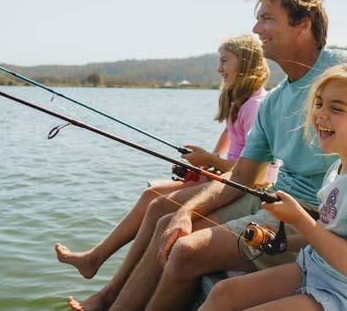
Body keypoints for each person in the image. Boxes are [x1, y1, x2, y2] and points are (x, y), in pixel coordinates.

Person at [87, 0, 347, 311]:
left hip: (312, 215)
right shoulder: (273, 102)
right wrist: (186, 211)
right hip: (271, 199)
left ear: (302, 24)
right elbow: (241, 177)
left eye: (267, 18)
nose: (256, 29)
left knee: (185, 251)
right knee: (169, 224)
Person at [61, 34, 270, 310]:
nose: (219, 68)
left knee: (159, 207)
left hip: (241, 187)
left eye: (224, 61)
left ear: (244, 63)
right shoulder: (241, 99)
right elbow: (229, 142)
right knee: (152, 195)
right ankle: (98, 266)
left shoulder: (256, 106)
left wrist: (210, 160)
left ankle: (109, 293)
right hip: (225, 178)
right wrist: (207, 163)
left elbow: (257, 174)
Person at [200, 61, 347, 311]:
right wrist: (282, 241)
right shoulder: (340, 165)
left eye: (336, 108)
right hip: (317, 269)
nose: (320, 114)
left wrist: (299, 219)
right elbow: (330, 233)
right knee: (223, 293)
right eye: (319, 104)